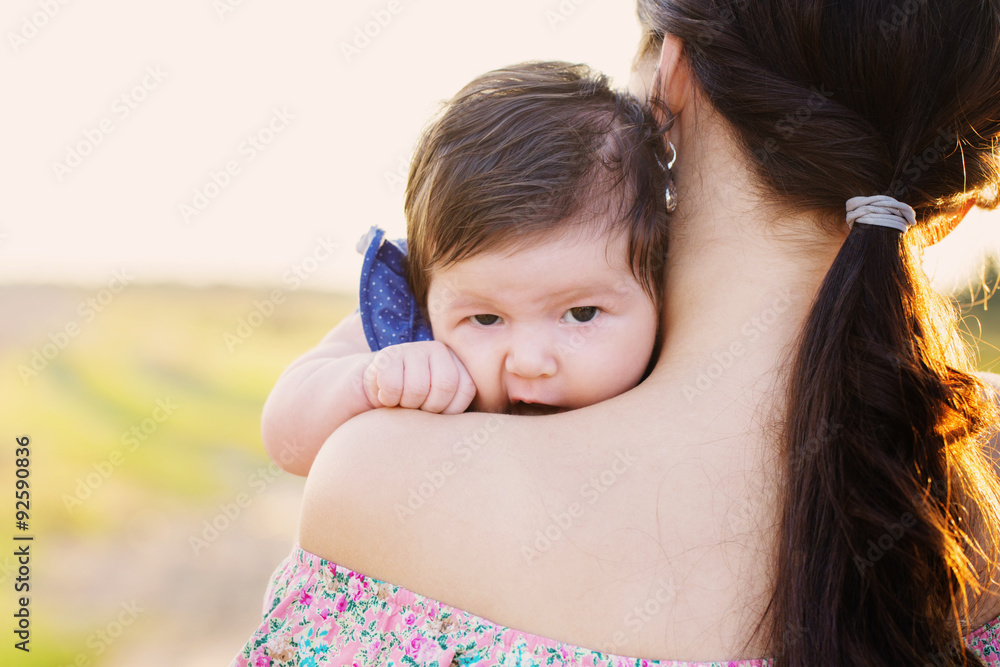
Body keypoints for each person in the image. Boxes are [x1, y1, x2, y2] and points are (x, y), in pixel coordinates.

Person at [234, 1, 1000, 665]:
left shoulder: (389, 486)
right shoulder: (983, 475)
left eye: (577, 312)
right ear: (963, 200)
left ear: (673, 73)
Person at [260, 62, 671, 477]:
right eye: (486, 318)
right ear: (425, 290)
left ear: (659, 285)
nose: (528, 363)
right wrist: (370, 381)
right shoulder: (406, 325)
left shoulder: (681, 362)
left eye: (581, 314)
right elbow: (286, 442)